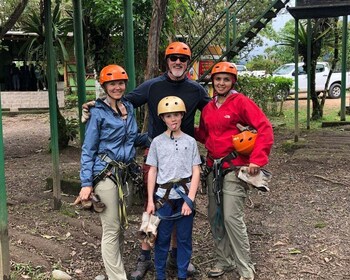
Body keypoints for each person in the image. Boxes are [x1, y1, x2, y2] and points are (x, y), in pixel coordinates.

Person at [83, 41, 210, 279]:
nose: (178, 62)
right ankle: (145, 257)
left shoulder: (196, 90)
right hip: (156, 154)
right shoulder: (152, 87)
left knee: (177, 205)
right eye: (173, 58)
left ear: (188, 62)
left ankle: (175, 255)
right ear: (167, 61)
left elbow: (214, 111)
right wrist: (96, 106)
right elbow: (122, 102)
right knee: (152, 206)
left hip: (184, 156)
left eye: (183, 59)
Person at [195, 62, 274, 280]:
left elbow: (264, 128)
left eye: (226, 79)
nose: (221, 83)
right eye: (218, 79)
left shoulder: (241, 103)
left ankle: (245, 267)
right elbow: (205, 135)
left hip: (234, 167)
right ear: (212, 81)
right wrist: (180, 127)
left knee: (231, 217)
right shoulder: (209, 108)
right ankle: (224, 260)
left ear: (233, 82)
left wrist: (257, 159)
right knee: (215, 217)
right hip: (213, 168)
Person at [79, 64, 138, 280]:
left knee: (121, 226)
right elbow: (88, 149)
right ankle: (117, 277)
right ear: (104, 86)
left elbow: (131, 139)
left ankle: (116, 269)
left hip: (125, 173)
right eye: (112, 83)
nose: (117, 87)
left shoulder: (129, 108)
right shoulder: (97, 112)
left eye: (121, 83)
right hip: (105, 173)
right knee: (112, 228)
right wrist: (86, 183)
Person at [146, 96, 201, 280]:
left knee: (184, 239)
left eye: (176, 115)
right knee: (162, 240)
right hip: (163, 197)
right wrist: (150, 201)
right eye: (169, 116)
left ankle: (182, 274)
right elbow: (152, 171)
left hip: (184, 196)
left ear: (182, 116)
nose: (173, 119)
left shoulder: (190, 142)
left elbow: (196, 170)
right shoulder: (157, 142)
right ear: (163, 118)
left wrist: (190, 199)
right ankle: (160, 275)